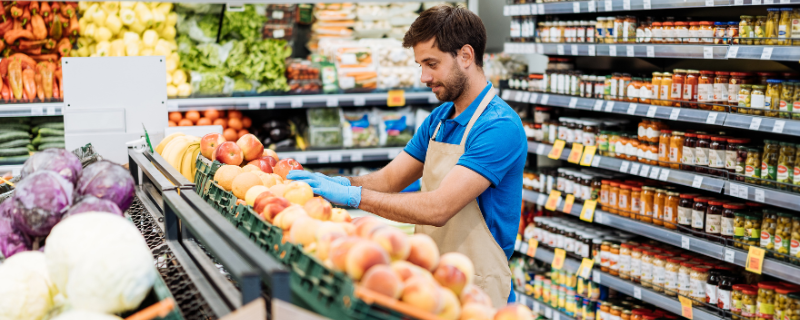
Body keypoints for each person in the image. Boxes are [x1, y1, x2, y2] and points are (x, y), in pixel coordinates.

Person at [287, 5, 526, 307]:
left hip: (478, 291)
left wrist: (352, 196)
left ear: (465, 56)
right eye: (420, 65)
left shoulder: (498, 127)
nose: (424, 77)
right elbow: (388, 180)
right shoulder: (439, 119)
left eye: (431, 63)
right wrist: (335, 182)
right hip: (430, 282)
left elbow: (438, 208)